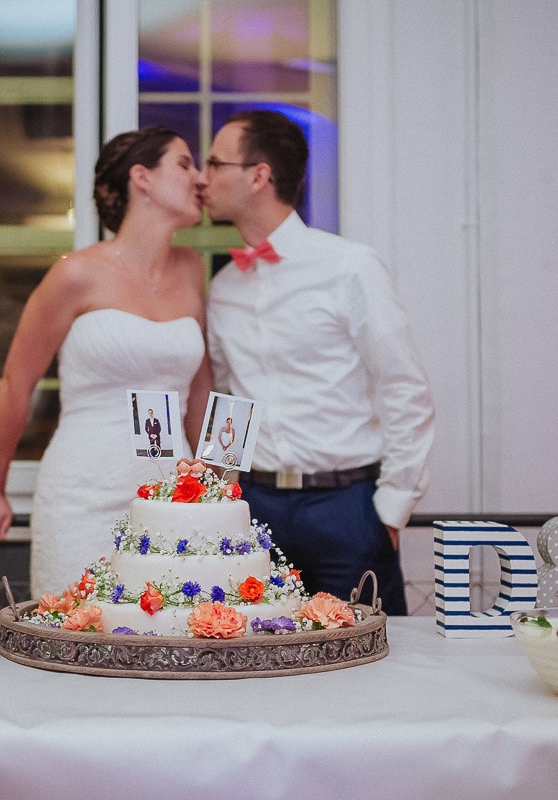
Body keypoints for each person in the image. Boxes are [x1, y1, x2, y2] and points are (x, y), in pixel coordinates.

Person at [202, 110, 434, 614]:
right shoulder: (222, 288)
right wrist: (218, 498)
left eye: (215, 163)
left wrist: (391, 511)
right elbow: (229, 397)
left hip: (344, 504)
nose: (204, 176)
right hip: (253, 509)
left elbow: (404, 386)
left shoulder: (350, 266)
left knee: (366, 667)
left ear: (258, 175)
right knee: (255, 657)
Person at [0, 126, 212, 597]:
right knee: (77, 640)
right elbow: (19, 383)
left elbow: (201, 388)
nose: (200, 178)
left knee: (173, 641)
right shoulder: (75, 274)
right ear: (142, 178)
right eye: (184, 164)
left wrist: (219, 486)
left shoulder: (191, 269)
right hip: (84, 492)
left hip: (172, 494)